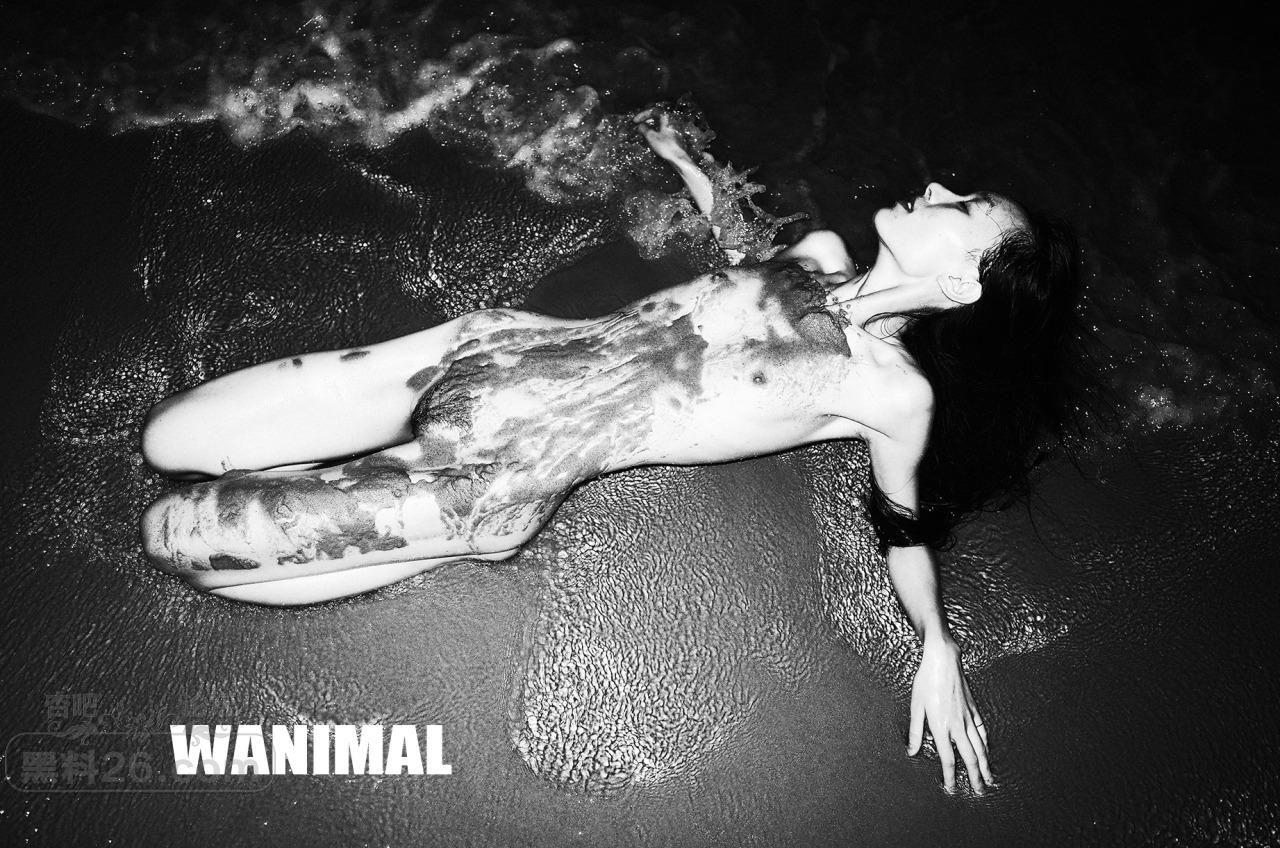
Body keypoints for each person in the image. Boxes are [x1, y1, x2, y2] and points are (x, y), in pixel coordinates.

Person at [139, 108, 1080, 796]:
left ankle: (447, 537)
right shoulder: (824, 253)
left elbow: (903, 524)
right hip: (480, 348)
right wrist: (688, 161)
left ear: (964, 282)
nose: (938, 189)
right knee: (165, 438)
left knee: (172, 536)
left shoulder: (890, 392)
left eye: (963, 206)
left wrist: (938, 645)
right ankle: (369, 515)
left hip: (493, 475)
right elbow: (745, 250)